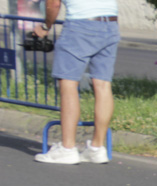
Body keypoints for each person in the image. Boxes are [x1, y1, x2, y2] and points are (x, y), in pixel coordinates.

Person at [31, 0, 119, 165]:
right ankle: (97, 148)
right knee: (103, 85)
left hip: (80, 26)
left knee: (69, 84)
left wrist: (45, 27)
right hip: (110, 23)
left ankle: (67, 148)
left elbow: (53, 4)